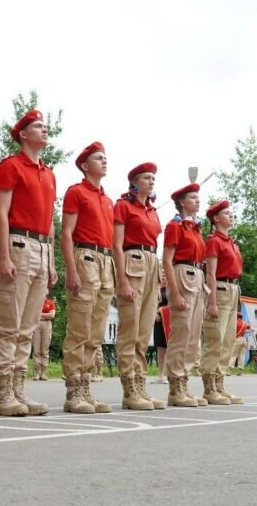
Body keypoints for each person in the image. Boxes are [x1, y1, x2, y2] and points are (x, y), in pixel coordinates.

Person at [0, 109, 56, 417]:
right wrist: (2, 255)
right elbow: (0, 212)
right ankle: (4, 392)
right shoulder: (11, 166)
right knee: (10, 324)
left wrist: (52, 261)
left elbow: (50, 222)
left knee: (28, 326)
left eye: (45, 127)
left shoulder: (48, 172)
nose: (44, 131)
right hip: (18, 244)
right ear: (23, 134)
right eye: (38, 127)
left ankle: (19, 389)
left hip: (42, 248)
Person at [60, 142, 115, 414]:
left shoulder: (107, 200)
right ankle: (73, 390)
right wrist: (71, 269)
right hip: (86, 257)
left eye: (105, 158)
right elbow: (67, 233)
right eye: (98, 158)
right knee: (79, 327)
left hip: (106, 261)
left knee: (96, 331)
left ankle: (86, 386)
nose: (104, 161)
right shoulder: (76, 192)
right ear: (84, 165)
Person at [114, 162, 164, 411]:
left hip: (152, 262)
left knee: (144, 331)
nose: (151, 181)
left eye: (153, 177)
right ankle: (129, 387)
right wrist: (122, 279)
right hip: (132, 260)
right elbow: (117, 244)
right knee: (130, 328)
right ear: (134, 182)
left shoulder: (153, 211)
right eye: (146, 177)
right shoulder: (123, 205)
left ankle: (140, 382)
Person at [162, 183, 207, 407]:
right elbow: (167, 261)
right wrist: (175, 292)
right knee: (181, 331)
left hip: (197, 276)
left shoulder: (196, 228)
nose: (197, 200)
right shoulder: (175, 226)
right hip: (182, 274)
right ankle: (175, 385)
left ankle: (184, 380)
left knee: (192, 334)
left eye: (198, 197)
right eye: (192, 197)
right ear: (182, 202)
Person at [202, 201, 244, 404]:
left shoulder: (232, 242)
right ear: (216, 219)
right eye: (227, 213)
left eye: (231, 213)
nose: (231, 216)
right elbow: (209, 273)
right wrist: (211, 302)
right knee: (215, 338)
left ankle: (220, 383)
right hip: (219, 288)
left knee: (227, 340)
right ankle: (209, 387)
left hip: (233, 288)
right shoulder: (214, 241)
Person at [32, 296, 56, 380]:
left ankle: (44, 373)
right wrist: (45, 315)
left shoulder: (50, 302)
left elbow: (52, 315)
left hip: (47, 324)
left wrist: (40, 314)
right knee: (36, 350)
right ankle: (36, 373)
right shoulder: (36, 301)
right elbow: (33, 314)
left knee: (45, 350)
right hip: (36, 325)